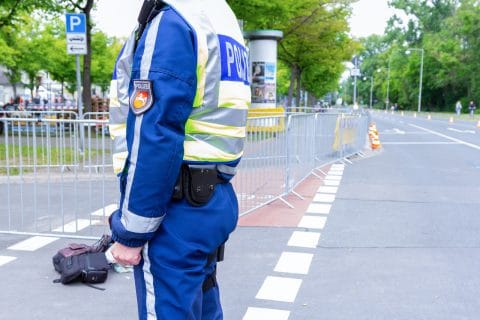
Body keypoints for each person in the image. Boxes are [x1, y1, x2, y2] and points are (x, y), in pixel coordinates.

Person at [107, 0, 250, 319]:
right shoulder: (219, 17)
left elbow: (155, 134)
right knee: (204, 304)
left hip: (175, 208)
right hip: (212, 197)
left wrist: (131, 231)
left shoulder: (174, 20)